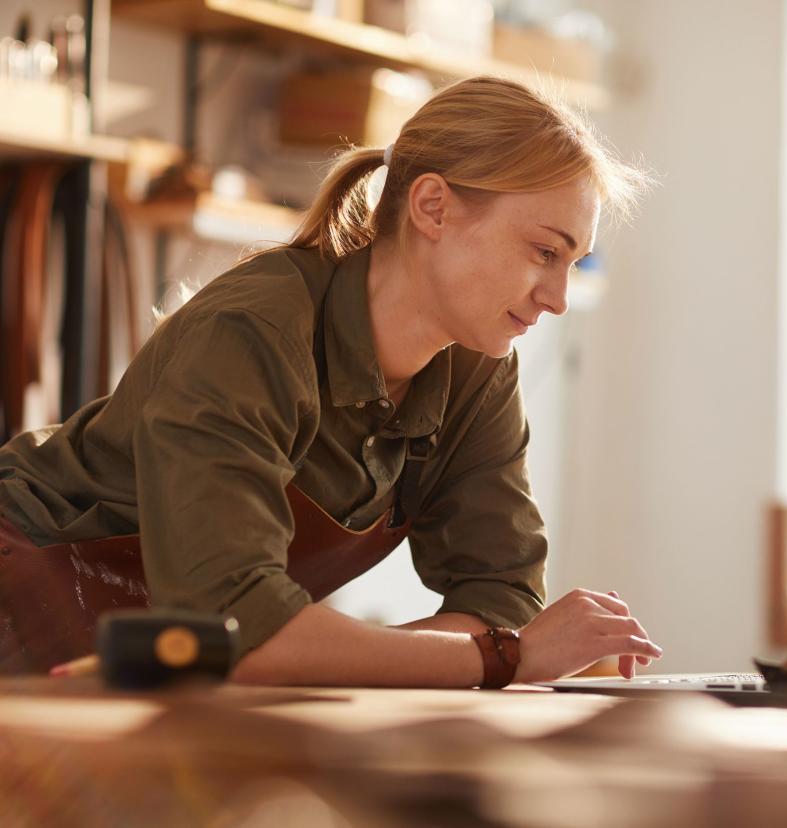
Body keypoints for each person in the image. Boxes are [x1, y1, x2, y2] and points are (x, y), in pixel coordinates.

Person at [0, 76, 662, 688]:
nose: (558, 298)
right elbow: (238, 628)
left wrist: (479, 653)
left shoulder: (477, 370)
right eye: (544, 251)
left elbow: (500, 600)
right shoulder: (250, 330)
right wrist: (499, 658)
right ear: (433, 208)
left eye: (572, 262)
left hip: (156, 664)